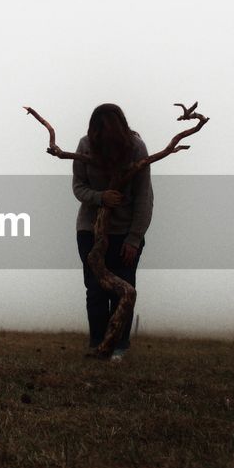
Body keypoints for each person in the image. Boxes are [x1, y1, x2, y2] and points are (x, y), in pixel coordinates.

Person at [72, 103, 153, 362]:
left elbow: (144, 198)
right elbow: (78, 187)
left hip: (125, 233)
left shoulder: (136, 149)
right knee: (94, 289)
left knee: (124, 289)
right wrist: (100, 197)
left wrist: (134, 238)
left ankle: (118, 347)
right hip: (90, 231)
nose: (103, 135)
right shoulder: (85, 145)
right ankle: (98, 344)